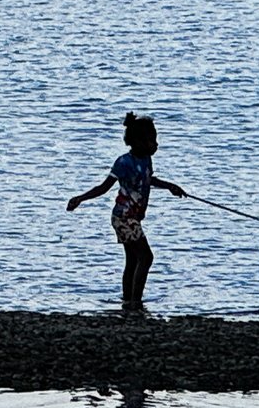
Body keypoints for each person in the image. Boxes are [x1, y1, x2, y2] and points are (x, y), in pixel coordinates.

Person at [68, 112, 187, 316]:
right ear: (137, 141)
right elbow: (104, 187)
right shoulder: (123, 162)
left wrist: (170, 186)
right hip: (123, 217)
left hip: (133, 218)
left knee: (133, 260)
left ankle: (128, 302)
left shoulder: (147, 160)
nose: (155, 144)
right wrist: (80, 198)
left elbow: (148, 179)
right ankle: (135, 302)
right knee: (146, 257)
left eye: (155, 139)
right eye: (151, 140)